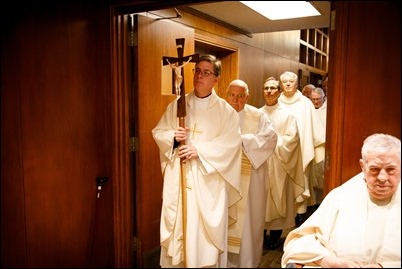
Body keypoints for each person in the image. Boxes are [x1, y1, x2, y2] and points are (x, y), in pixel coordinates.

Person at [152, 54, 243, 268]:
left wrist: (199, 151)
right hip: (180, 181)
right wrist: (173, 138)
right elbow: (159, 131)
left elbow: (231, 145)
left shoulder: (226, 112)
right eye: (197, 71)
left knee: (202, 240)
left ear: (216, 79)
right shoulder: (178, 105)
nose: (199, 76)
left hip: (207, 185)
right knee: (180, 230)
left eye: (206, 72)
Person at [282, 133, 401, 268]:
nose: (382, 177)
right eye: (374, 169)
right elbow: (300, 242)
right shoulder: (341, 196)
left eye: (391, 170)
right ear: (362, 166)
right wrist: (330, 262)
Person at [225, 79, 278, 268]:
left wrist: (242, 141)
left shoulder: (258, 116)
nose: (235, 100)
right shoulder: (220, 114)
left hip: (252, 181)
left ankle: (248, 263)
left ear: (247, 97)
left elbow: (271, 139)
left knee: (249, 224)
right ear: (226, 94)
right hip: (225, 181)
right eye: (232, 95)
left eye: (240, 96)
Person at [260, 77, 305, 250]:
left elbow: (292, 140)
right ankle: (261, 233)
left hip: (280, 164)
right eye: (266, 88)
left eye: (273, 88)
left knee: (278, 200)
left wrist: (270, 143)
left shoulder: (288, 115)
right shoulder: (256, 113)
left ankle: (276, 236)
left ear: (279, 92)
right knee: (261, 200)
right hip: (260, 163)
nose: (269, 91)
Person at [278, 71, 325, 213]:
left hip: (301, 150)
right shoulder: (277, 102)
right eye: (284, 81)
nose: (287, 84)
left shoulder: (305, 103)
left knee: (300, 184)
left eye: (291, 81)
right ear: (281, 84)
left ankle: (299, 216)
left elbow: (315, 128)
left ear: (297, 83)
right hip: (281, 152)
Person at [310, 87, 327, 203]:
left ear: (323, 97)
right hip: (311, 145)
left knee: (322, 175)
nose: (316, 102)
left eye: (318, 99)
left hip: (323, 146)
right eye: (313, 99)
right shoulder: (309, 109)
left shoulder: (327, 110)